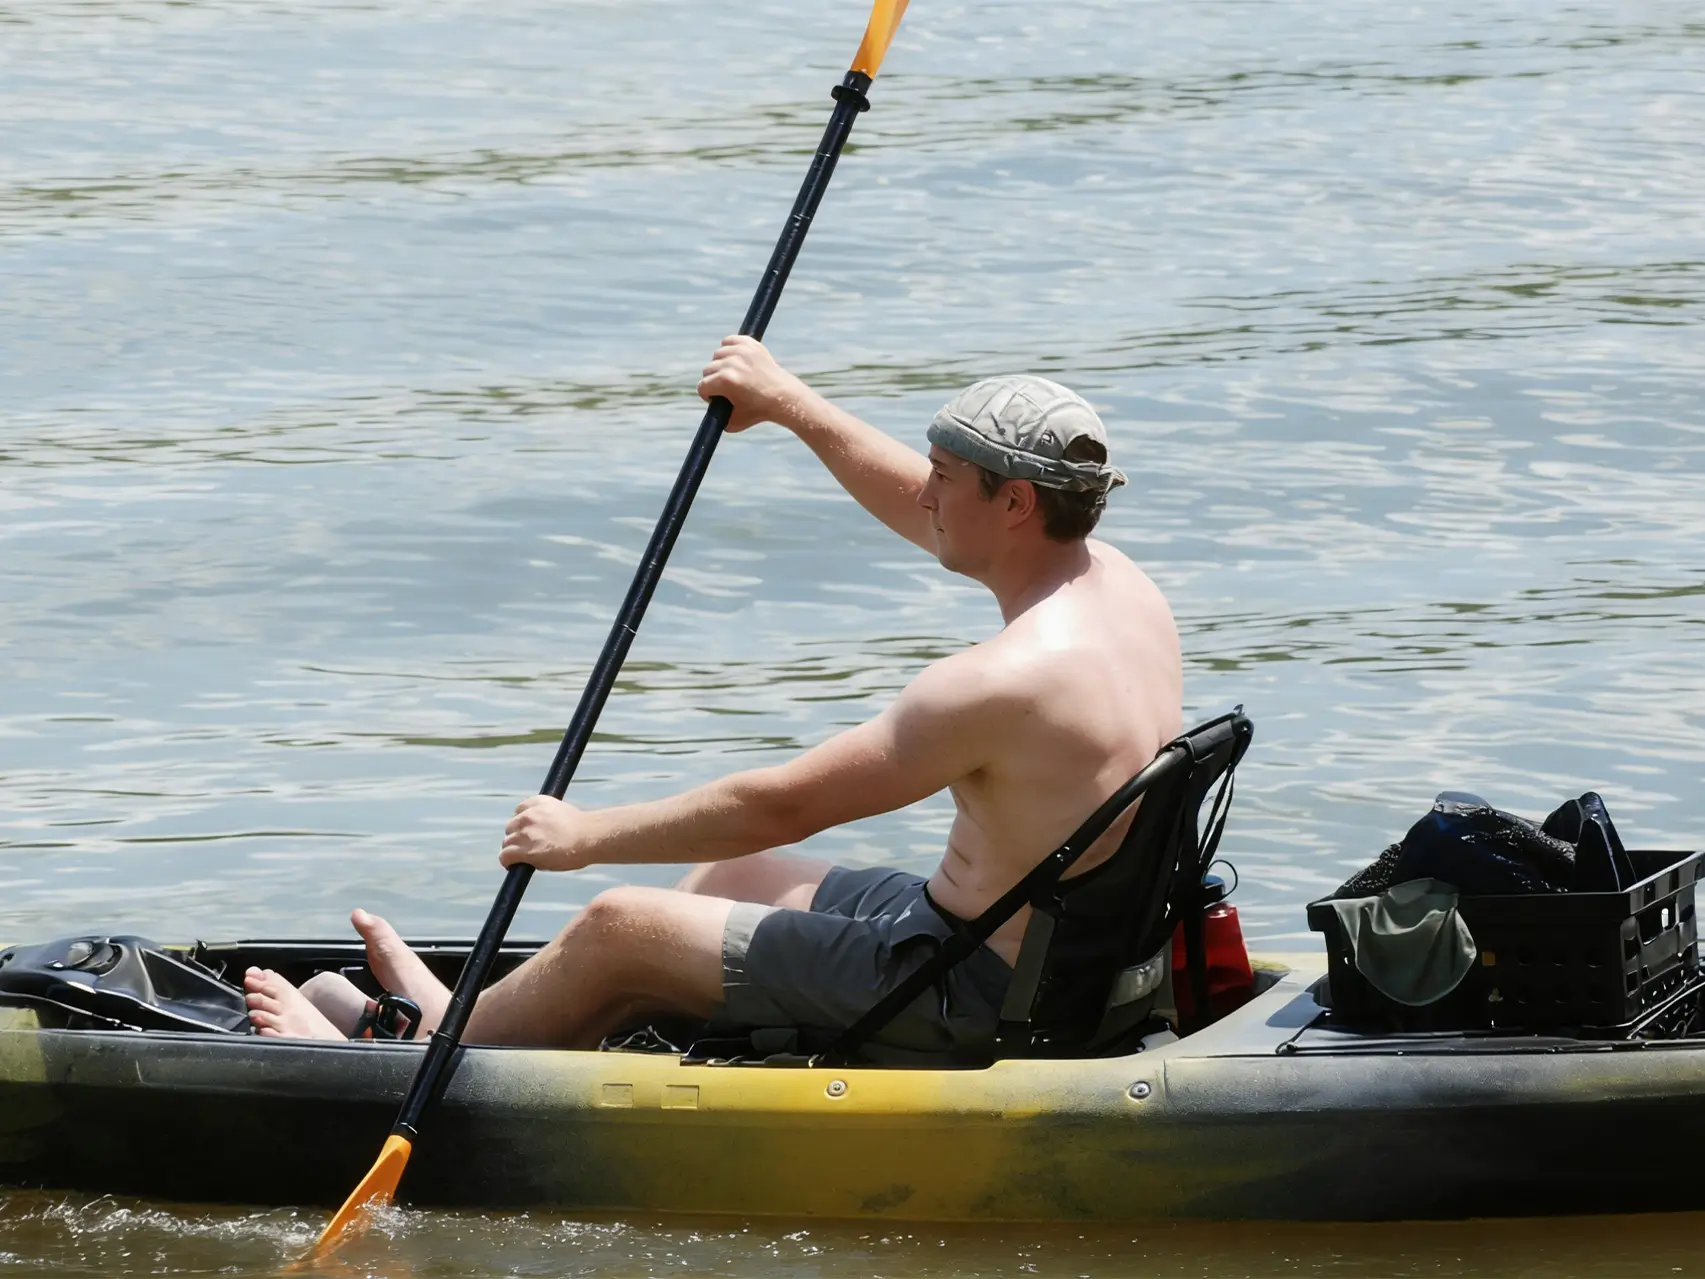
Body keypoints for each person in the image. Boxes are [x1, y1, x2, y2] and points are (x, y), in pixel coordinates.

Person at [243, 336, 1183, 1059]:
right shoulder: (1118, 588)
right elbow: (920, 505)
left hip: (970, 993)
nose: (923, 495)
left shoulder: (1000, 681)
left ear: (1015, 503)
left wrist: (583, 837)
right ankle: (485, 1026)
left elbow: (780, 800)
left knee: (620, 923)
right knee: (740, 876)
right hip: (1044, 952)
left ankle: (407, 1061)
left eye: (943, 479)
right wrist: (786, 403)